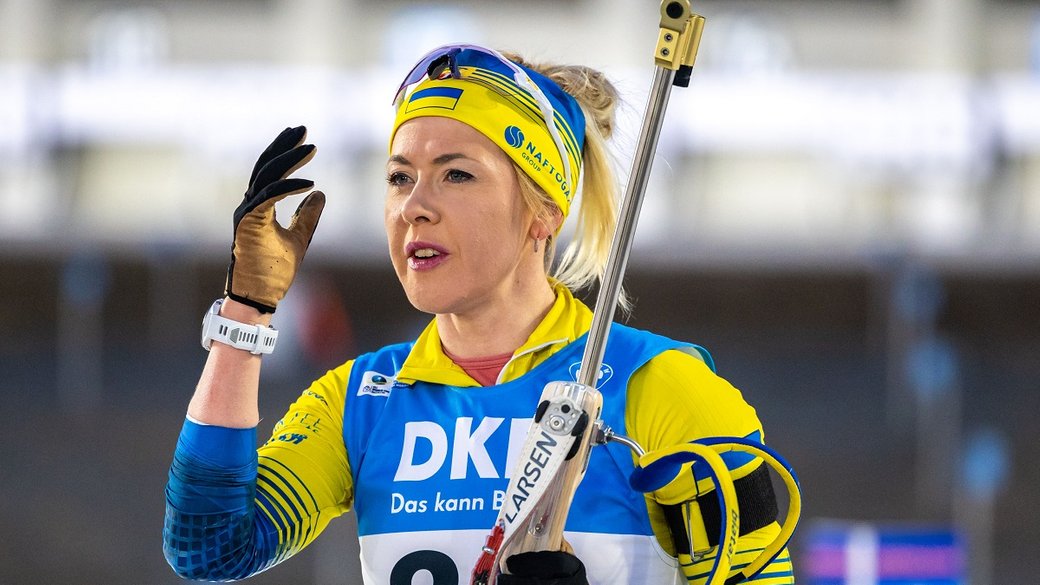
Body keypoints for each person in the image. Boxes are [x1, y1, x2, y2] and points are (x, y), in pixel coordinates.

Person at [164, 44, 794, 585]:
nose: (414, 206)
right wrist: (245, 313)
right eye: (399, 177)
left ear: (544, 213)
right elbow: (208, 549)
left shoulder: (659, 384)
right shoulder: (363, 399)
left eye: (457, 175)